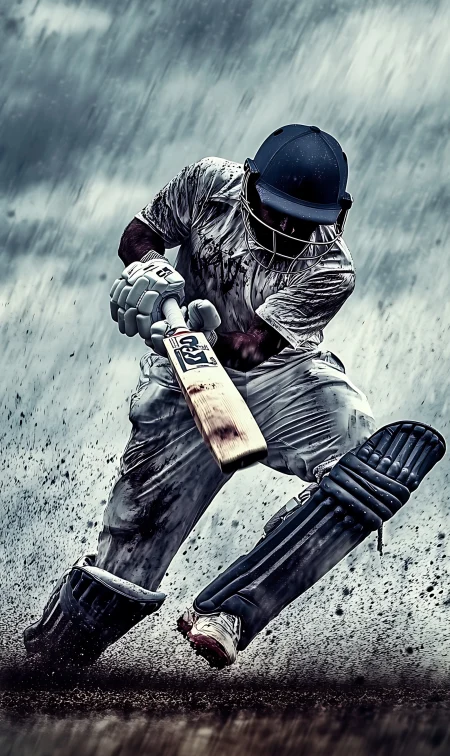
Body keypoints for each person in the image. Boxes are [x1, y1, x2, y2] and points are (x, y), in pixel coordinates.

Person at [24, 124, 443, 670]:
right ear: (250, 182)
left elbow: (249, 350)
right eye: (276, 210)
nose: (287, 227)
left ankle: (231, 611)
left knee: (362, 456)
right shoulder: (206, 184)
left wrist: (204, 331)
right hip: (183, 384)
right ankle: (52, 655)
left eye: (305, 221)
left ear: (338, 214)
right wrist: (152, 275)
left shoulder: (332, 270)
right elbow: (137, 235)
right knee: (127, 557)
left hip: (278, 379)